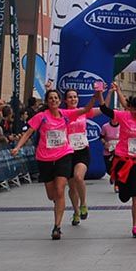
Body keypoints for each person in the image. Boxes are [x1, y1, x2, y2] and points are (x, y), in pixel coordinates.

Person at [11, 86, 101, 240]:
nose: (53, 100)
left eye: (56, 98)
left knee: (60, 190)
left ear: (60, 101)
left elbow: (86, 109)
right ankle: (60, 208)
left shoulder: (66, 114)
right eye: (51, 98)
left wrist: (95, 96)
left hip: (63, 155)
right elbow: (29, 132)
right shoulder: (41, 116)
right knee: (51, 194)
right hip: (45, 158)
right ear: (47, 101)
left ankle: (57, 227)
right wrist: (18, 147)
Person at [99, 87, 136, 237]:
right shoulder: (123, 116)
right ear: (130, 108)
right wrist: (103, 94)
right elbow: (103, 109)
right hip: (123, 159)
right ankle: (120, 185)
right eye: (135, 109)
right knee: (124, 196)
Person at [60, 84, 112, 226]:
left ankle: (83, 203)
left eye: (75, 97)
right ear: (65, 100)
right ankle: (76, 212)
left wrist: (106, 93)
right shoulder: (62, 114)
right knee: (71, 187)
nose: (73, 99)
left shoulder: (84, 111)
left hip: (82, 150)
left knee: (78, 177)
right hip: (67, 152)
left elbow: (103, 108)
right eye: (70, 97)